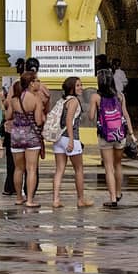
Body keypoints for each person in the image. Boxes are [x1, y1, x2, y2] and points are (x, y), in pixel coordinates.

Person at [50, 76, 93, 209]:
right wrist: (71, 140)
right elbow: (69, 120)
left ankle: (56, 199)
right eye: (78, 86)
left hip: (58, 139)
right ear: (71, 88)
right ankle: (81, 199)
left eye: (81, 85)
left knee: (59, 170)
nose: (81, 88)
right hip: (70, 138)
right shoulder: (74, 101)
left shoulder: (62, 100)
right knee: (79, 169)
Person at [6, 70, 45, 207]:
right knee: (31, 168)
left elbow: (8, 116)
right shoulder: (36, 99)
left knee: (18, 169)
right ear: (31, 83)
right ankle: (29, 200)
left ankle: (18, 197)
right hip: (31, 136)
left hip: (16, 135)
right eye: (37, 81)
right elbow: (38, 121)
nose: (39, 83)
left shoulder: (14, 99)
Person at [95, 69, 133, 208]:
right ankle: (118, 192)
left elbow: (91, 116)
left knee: (108, 167)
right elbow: (126, 115)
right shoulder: (120, 96)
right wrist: (132, 133)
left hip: (105, 136)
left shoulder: (96, 97)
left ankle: (112, 198)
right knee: (118, 165)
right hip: (120, 134)